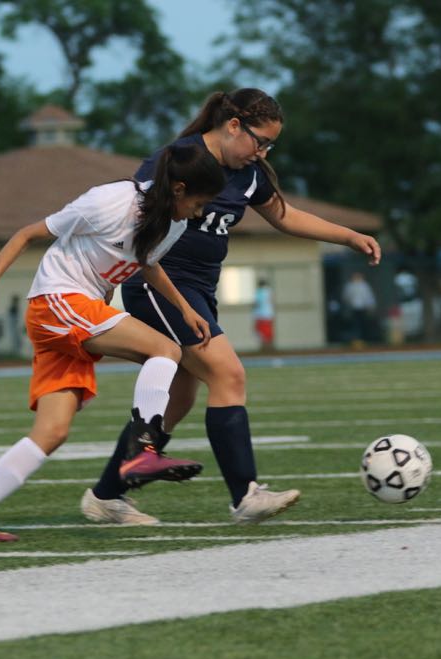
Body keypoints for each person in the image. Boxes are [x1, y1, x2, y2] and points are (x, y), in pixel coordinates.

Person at [81, 88, 381, 526]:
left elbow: (285, 215)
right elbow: (132, 228)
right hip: (161, 288)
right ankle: (245, 494)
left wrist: (349, 236)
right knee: (229, 373)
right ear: (233, 126)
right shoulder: (176, 161)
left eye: (270, 146)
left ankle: (106, 495)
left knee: (175, 402)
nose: (262, 152)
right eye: (259, 141)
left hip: (200, 290)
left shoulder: (249, 173)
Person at [0, 143, 226, 541]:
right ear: (178, 188)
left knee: (52, 432)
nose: (199, 212)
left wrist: (183, 307)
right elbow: (26, 234)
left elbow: (147, 263)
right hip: (57, 302)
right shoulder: (110, 201)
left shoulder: (171, 224)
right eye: (199, 202)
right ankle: (143, 451)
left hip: (70, 318)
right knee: (166, 350)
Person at [341, 271, 376, 345]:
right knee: (355, 324)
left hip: (363, 308)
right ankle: (356, 339)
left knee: (363, 323)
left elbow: (368, 297)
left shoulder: (364, 285)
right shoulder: (350, 286)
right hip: (353, 308)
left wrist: (370, 306)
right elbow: (346, 297)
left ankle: (364, 339)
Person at [252, 278, 275, 351]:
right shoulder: (269, 291)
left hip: (261, 315)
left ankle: (264, 348)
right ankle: (268, 347)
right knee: (268, 332)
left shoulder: (259, 292)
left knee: (262, 331)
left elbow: (257, 303)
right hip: (269, 315)